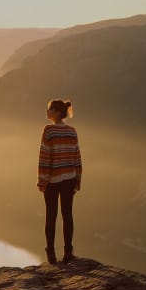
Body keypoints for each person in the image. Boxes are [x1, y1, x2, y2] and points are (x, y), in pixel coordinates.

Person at [37, 99, 82, 264]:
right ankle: (68, 252)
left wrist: (42, 180)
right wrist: (78, 178)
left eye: (49, 109)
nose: (46, 112)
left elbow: (44, 157)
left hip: (53, 181)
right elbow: (77, 156)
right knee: (67, 215)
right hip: (69, 179)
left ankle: (51, 254)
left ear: (56, 112)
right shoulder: (72, 131)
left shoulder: (48, 131)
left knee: (51, 216)